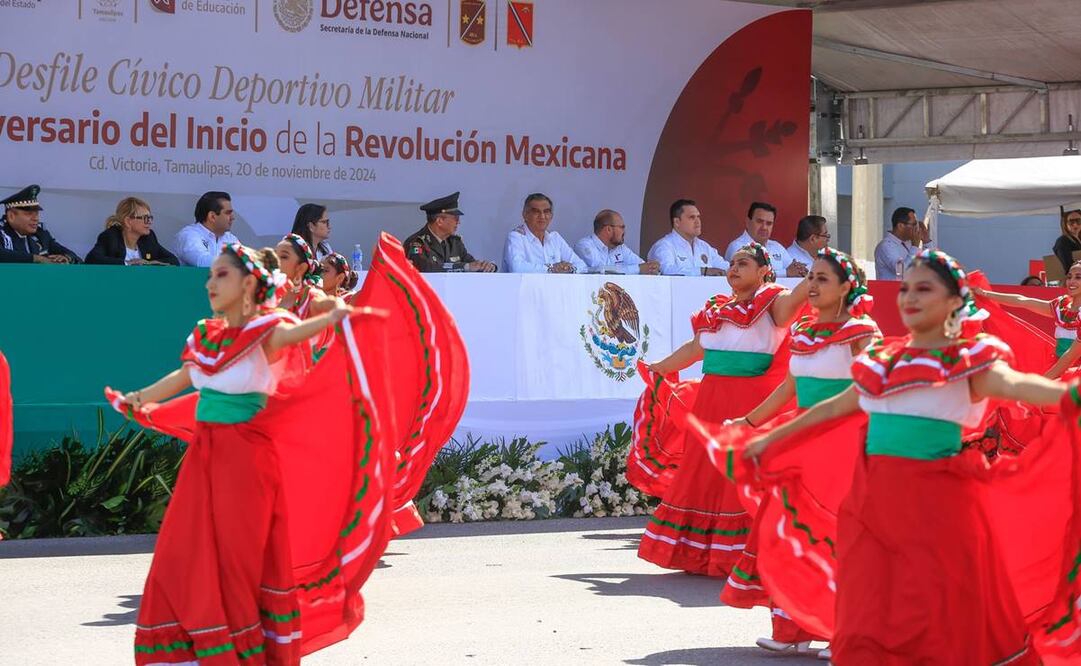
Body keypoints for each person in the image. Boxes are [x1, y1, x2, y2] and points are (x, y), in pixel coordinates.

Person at [742, 249, 1069, 664]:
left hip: (938, 510)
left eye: (925, 289)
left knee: (939, 614)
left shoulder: (968, 360)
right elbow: (834, 407)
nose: (910, 298)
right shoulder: (884, 361)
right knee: (870, 613)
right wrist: (770, 438)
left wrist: (1069, 393)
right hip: (871, 507)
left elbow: (1023, 387)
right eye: (905, 289)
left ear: (954, 300)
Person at [108, 242, 397, 664]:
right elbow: (186, 375)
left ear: (248, 284)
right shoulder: (208, 335)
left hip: (246, 463)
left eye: (220, 275)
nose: (210, 283)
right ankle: (193, 649)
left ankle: (241, 652)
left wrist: (331, 317)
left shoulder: (267, 331)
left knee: (237, 561)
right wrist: (138, 398)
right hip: (205, 461)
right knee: (182, 555)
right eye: (210, 275)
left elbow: (289, 334)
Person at [693, 247, 877, 660]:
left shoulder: (862, 331)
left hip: (845, 442)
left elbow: (866, 388)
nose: (811, 286)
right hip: (804, 439)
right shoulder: (805, 333)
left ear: (847, 287)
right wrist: (750, 421)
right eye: (809, 277)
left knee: (835, 535)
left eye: (822, 279)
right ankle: (792, 628)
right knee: (792, 529)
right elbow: (789, 389)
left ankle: (842, 632)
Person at [636, 242, 808, 576]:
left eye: (744, 263)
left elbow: (797, 300)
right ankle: (700, 554)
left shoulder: (773, 302)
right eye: (732, 262)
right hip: (711, 402)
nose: (734, 268)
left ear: (763, 271)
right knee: (705, 473)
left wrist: (817, 272)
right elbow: (695, 349)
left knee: (738, 475)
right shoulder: (716, 310)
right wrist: (660, 366)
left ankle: (746, 555)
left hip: (750, 404)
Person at [975, 260, 1081, 376]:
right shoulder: (1060, 306)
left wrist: (1046, 379)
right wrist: (984, 294)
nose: (1071, 281)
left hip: (1075, 372)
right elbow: (1022, 301)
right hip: (1057, 367)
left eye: (1078, 277)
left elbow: (1071, 355)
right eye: (1069, 277)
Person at [404, 192, 496, 273]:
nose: (458, 222)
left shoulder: (455, 242)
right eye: (456, 219)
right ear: (440, 221)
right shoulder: (417, 242)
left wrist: (485, 267)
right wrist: (464, 267)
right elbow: (425, 268)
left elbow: (471, 263)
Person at [503, 193, 587, 273]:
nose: (542, 216)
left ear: (551, 216)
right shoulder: (516, 237)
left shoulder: (555, 237)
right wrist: (551, 268)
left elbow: (582, 266)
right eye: (536, 212)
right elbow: (517, 268)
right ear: (525, 215)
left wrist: (568, 268)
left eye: (546, 211)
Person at [85, 197, 179, 265]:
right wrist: (128, 263)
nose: (149, 222)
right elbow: (91, 259)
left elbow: (173, 260)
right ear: (128, 221)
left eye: (150, 218)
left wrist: (150, 264)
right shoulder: (110, 237)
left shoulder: (148, 239)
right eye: (145, 218)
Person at [646, 198, 728, 276]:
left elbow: (725, 267)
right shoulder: (664, 246)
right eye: (692, 217)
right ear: (677, 222)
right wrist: (703, 271)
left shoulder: (704, 247)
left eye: (698, 217)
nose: (697, 221)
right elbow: (666, 270)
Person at [0, 184, 79, 264]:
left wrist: (67, 258)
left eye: (36, 214)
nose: (36, 218)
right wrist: (35, 259)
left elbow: (75, 257)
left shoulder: (41, 234)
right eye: (29, 214)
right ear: (11, 216)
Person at [724, 202, 802, 277]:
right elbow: (749, 275)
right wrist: (785, 273)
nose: (764, 227)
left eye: (769, 223)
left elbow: (793, 269)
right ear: (747, 222)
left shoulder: (777, 246)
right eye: (759, 221)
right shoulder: (737, 247)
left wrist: (799, 270)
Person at [574, 209, 660, 275]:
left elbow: (641, 265)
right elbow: (600, 270)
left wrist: (651, 267)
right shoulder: (584, 245)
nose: (624, 232)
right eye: (622, 227)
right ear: (608, 229)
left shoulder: (621, 248)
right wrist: (637, 269)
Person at [174, 191, 240, 267]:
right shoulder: (188, 235)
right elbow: (202, 262)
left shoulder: (230, 238)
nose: (232, 218)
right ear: (212, 217)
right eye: (228, 213)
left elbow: (246, 262)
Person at [873, 206, 932, 280]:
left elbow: (931, 264)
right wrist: (915, 246)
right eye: (914, 224)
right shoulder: (886, 246)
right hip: (891, 290)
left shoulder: (910, 243)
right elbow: (901, 271)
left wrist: (926, 241)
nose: (917, 228)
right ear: (901, 226)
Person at [1053, 208, 1081, 275]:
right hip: (1073, 280)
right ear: (1065, 223)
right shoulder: (1063, 241)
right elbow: (1068, 266)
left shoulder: (1078, 239)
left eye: (1079, 221)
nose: (1075, 224)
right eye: (1071, 222)